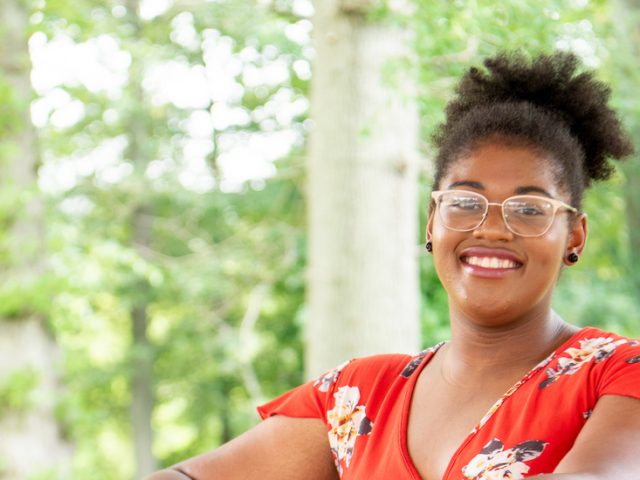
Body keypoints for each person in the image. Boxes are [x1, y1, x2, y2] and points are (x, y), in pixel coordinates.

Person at [144, 52, 640, 480]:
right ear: (432, 222)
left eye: (529, 210)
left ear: (574, 235)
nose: (491, 229)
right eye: (466, 202)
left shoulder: (616, 374)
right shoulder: (359, 397)